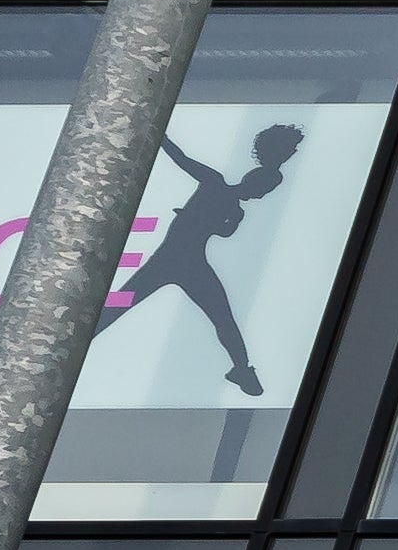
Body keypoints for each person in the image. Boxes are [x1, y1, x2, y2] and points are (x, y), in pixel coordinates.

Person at [122, 120, 304, 398]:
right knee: (121, 302)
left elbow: (223, 232)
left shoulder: (233, 206)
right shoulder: (215, 183)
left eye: (265, 192)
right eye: (262, 189)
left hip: (191, 264)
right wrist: (160, 137)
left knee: (222, 317)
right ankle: (241, 369)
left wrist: (200, 219)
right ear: (252, 180)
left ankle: (242, 369)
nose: (259, 195)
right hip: (176, 260)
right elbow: (181, 159)